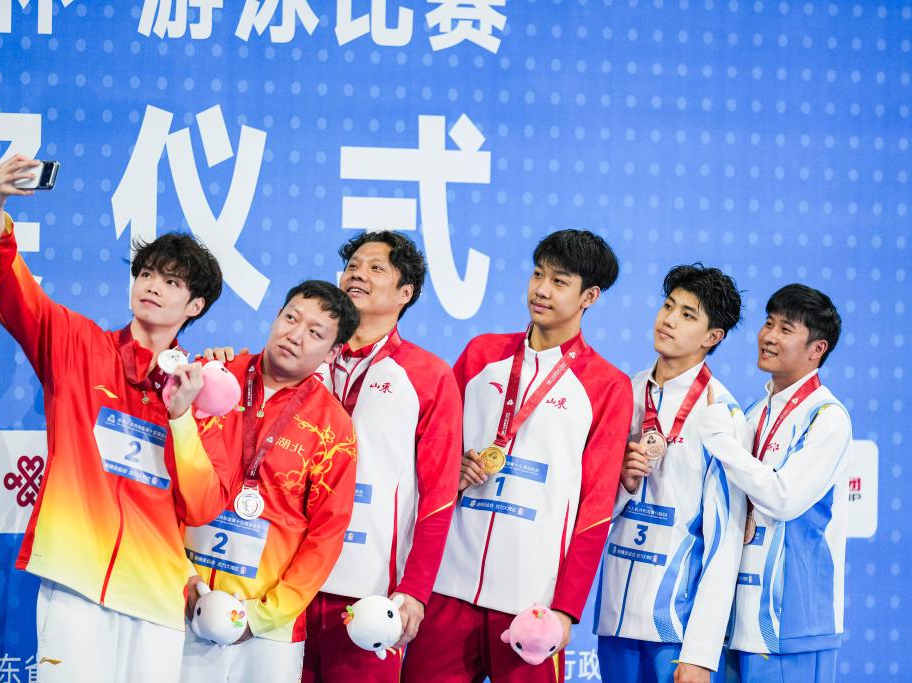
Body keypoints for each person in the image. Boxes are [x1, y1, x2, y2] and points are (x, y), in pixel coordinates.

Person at [0, 154, 232, 682]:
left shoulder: (201, 390)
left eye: (172, 281)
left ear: (195, 305)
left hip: (156, 589)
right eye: (146, 273)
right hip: (75, 575)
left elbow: (203, 505)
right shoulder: (77, 343)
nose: (152, 285)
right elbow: (15, 296)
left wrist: (181, 418)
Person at [402, 229, 634, 683]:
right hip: (447, 584)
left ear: (589, 296)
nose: (541, 289)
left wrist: (566, 608)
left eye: (559, 281)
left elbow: (595, 507)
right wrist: (452, 469)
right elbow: (432, 449)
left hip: (532, 603)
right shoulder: (481, 354)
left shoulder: (607, 385)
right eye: (537, 274)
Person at [300, 232, 463, 682]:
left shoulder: (428, 375)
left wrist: (415, 590)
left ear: (405, 293)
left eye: (376, 268)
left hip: (369, 595)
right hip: (286, 581)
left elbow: (439, 496)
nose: (358, 274)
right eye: (353, 265)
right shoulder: (304, 357)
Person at [179, 281, 360, 683]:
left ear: (333, 352)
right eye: (291, 318)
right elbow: (168, 478)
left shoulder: (334, 428)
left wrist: (264, 616)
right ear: (276, 317)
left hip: (266, 629)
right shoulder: (213, 377)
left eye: (315, 333)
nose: (295, 335)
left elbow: (326, 534)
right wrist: (179, 576)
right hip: (180, 598)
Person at [594, 264, 749, 682]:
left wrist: (701, 652)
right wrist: (622, 484)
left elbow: (724, 541)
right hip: (614, 615)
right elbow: (590, 506)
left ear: (712, 337)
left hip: (675, 629)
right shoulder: (624, 393)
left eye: (687, 314)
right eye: (668, 306)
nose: (669, 319)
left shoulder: (722, 415)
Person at [699, 284, 851, 682]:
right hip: (737, 623)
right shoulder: (754, 412)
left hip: (794, 626)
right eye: (768, 323)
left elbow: (783, 499)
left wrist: (722, 443)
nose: (768, 336)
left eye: (785, 329)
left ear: (817, 348)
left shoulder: (827, 418)